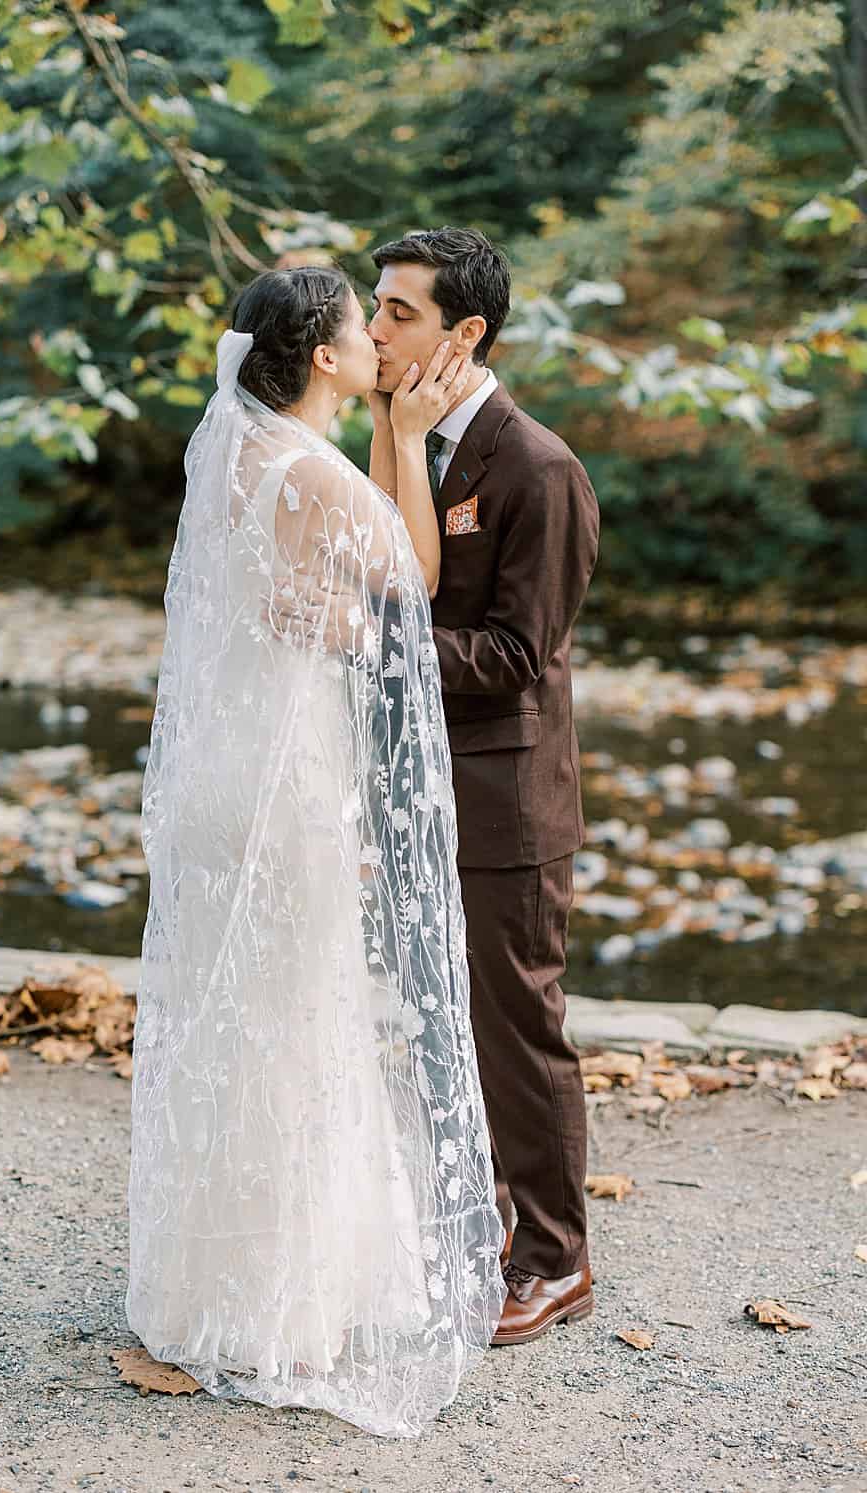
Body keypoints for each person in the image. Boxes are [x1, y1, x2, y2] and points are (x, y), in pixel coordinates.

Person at [128, 266, 504, 1438]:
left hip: (220, 779)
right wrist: (401, 432)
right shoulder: (316, 471)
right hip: (288, 786)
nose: (374, 344)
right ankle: (282, 1306)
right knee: (296, 1021)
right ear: (325, 359)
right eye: (361, 330)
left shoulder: (228, 455)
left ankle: (205, 1286)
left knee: (232, 1018)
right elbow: (417, 578)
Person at [367, 228, 601, 1345]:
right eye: (374, 309)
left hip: (507, 799)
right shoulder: (405, 437)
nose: (372, 331)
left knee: (516, 1024)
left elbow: (519, 651)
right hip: (416, 783)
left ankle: (556, 1259)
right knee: (433, 1017)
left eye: (398, 314)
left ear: (465, 332)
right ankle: (480, 1225)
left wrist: (373, 645)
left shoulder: (539, 468)